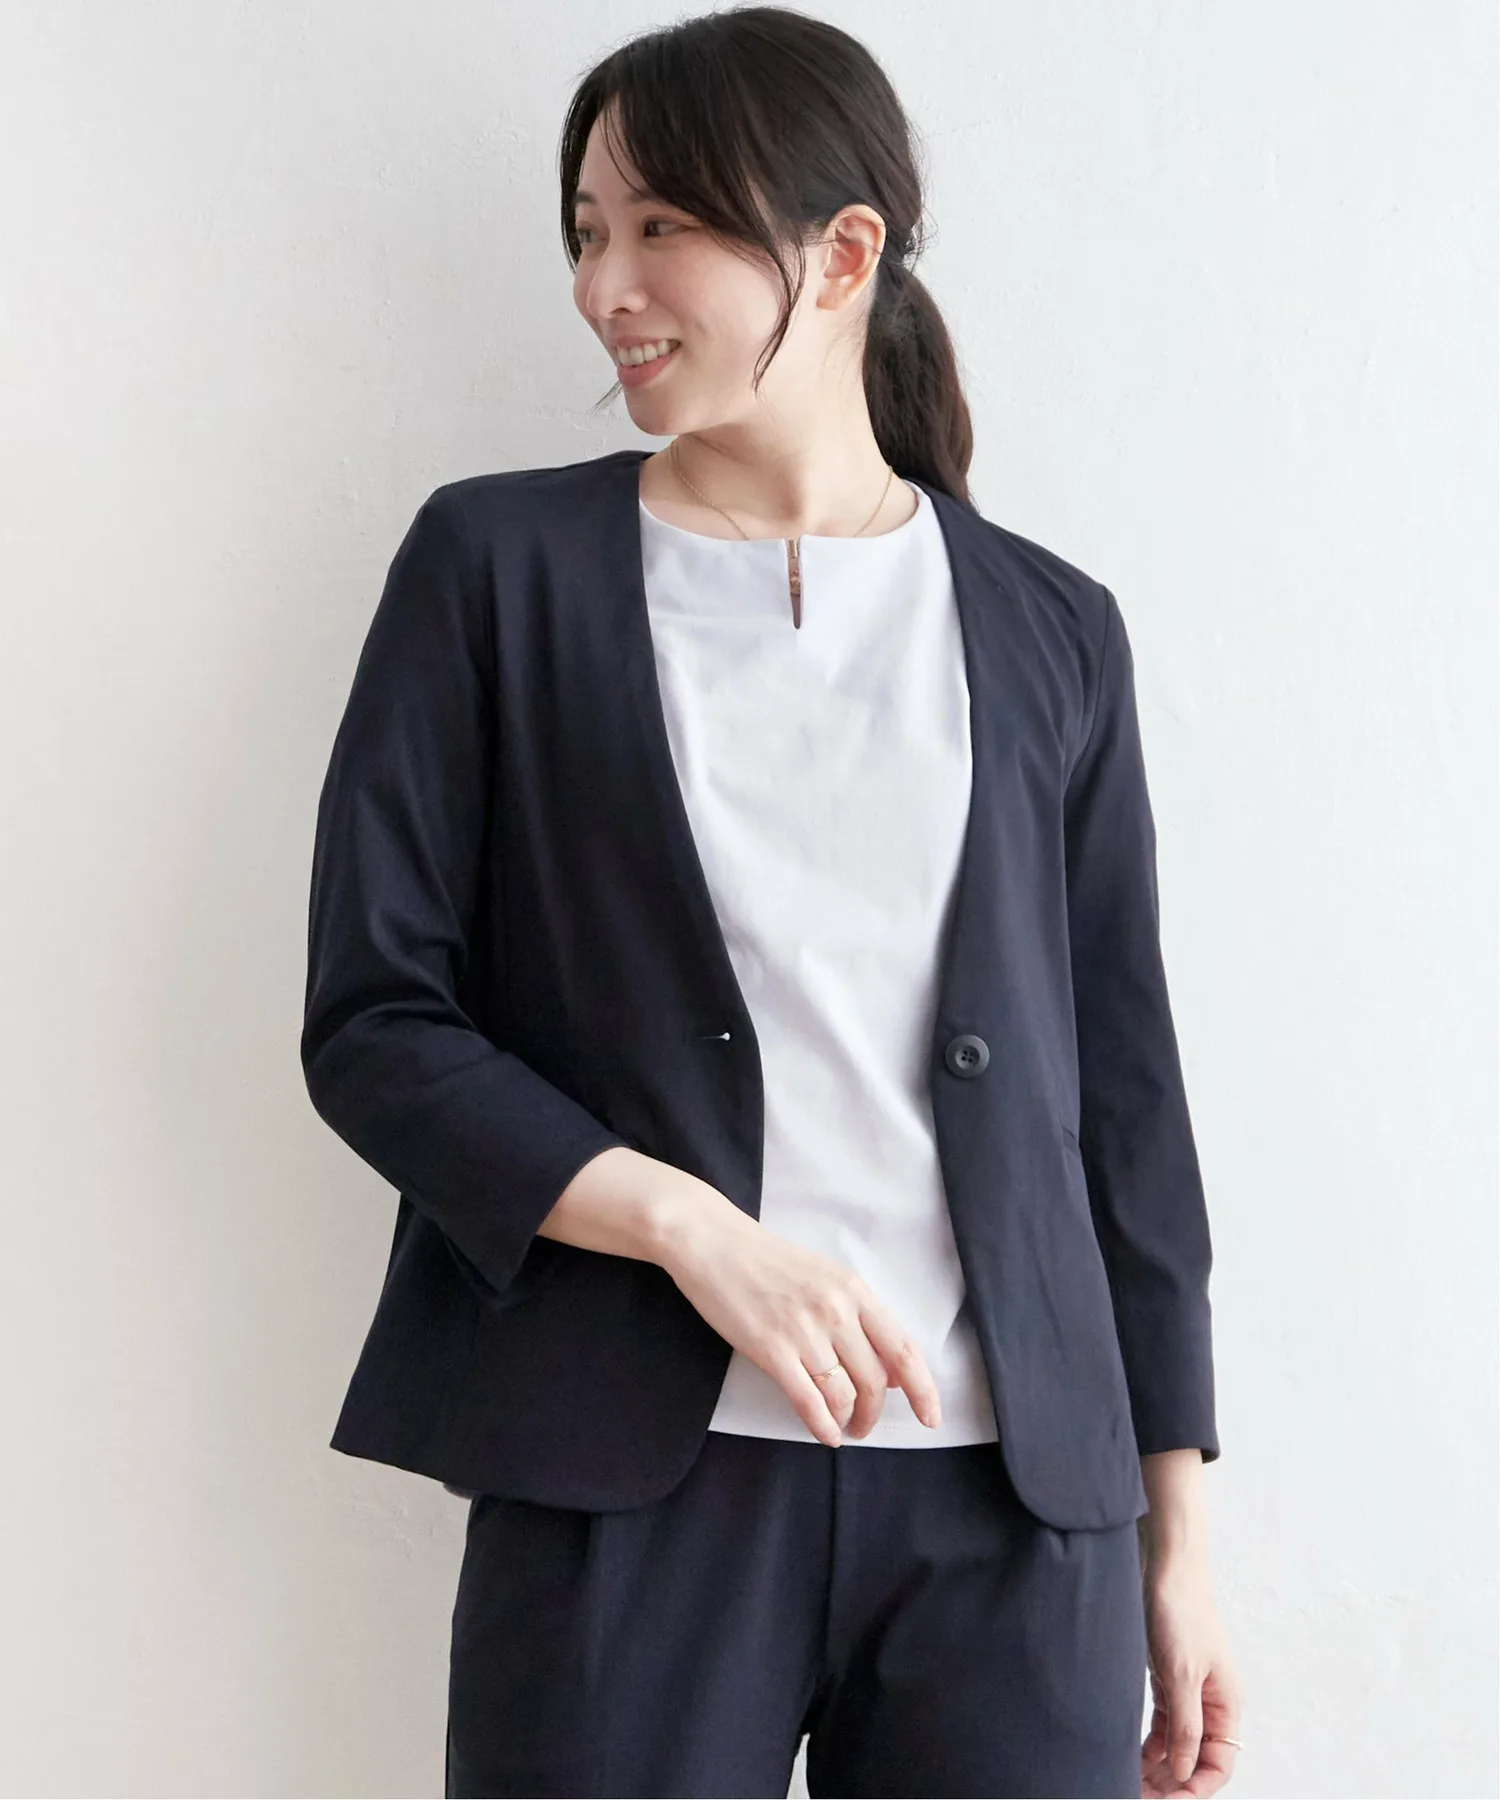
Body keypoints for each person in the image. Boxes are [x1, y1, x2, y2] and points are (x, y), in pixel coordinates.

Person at [301, 9, 1244, 1797]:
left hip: (1013, 1511)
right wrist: (690, 1230)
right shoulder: (497, 571)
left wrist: (1176, 1537)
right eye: (588, 230)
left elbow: (1125, 1108)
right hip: (627, 1486)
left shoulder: (1052, 629)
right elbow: (376, 1022)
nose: (606, 287)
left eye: (661, 225)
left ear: (843, 252)